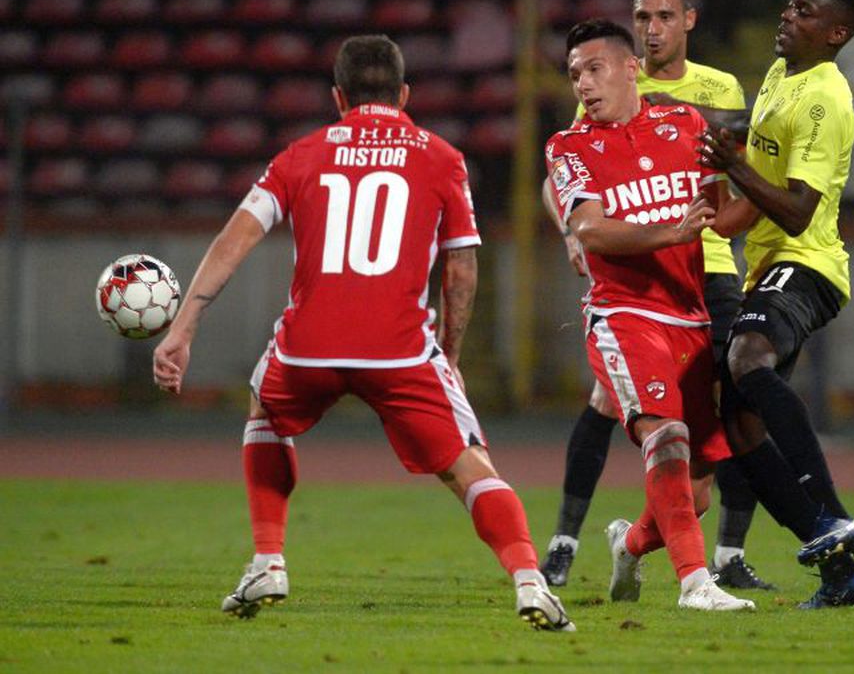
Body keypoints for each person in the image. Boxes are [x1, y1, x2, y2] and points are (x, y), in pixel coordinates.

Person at [152, 35, 574, 632]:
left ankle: (268, 560)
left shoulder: (298, 155)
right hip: (400, 349)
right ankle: (530, 582)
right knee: (467, 464)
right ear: (404, 95)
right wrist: (448, 354)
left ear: (337, 96)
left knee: (264, 407)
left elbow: (236, 238)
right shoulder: (442, 157)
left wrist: (183, 326)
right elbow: (460, 266)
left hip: (309, 345)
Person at [539, 0, 772, 592]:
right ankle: (698, 581)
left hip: (693, 312)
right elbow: (588, 228)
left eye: (593, 70)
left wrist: (780, 189)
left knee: (694, 490)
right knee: (662, 433)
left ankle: (630, 543)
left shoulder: (691, 126)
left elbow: (721, 217)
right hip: (624, 314)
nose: (583, 84)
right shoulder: (569, 146)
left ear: (630, 71)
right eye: (575, 75)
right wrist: (669, 233)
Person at [699, 0, 854, 609]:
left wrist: (733, 165)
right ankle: (839, 571)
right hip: (770, 264)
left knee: (746, 358)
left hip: (811, 265)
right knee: (739, 425)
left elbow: (799, 211)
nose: (787, 12)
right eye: (789, 1)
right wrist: (704, 225)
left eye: (804, 10)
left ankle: (830, 509)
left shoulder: (827, 98)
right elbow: (758, 200)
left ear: (836, 34)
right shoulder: (779, 78)